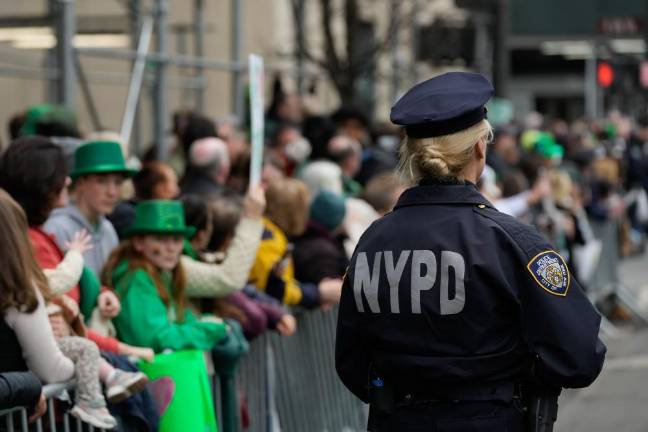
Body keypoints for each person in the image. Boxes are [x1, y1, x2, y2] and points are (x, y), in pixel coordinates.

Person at [335, 72, 606, 431]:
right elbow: (580, 355)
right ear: (480, 148)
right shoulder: (510, 241)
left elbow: (352, 361)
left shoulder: (373, 240)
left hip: (397, 419)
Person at [0, 190, 116, 429]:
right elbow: (50, 370)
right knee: (87, 350)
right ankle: (94, 399)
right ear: (16, 238)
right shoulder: (19, 292)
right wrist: (82, 370)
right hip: (20, 419)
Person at [44, 139, 137, 276]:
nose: (112, 192)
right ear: (81, 183)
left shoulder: (108, 229)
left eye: (118, 182)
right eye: (102, 181)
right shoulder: (57, 228)